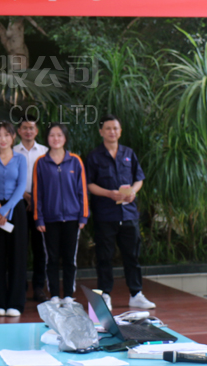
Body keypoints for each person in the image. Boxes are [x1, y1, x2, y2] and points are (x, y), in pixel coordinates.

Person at [85, 115, 155, 312]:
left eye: (115, 128)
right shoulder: (94, 156)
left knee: (132, 255)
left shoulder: (128, 153)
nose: (112, 132)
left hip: (129, 213)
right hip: (105, 214)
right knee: (104, 256)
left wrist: (134, 191)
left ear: (120, 131)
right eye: (108, 128)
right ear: (101, 132)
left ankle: (136, 294)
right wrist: (109, 193)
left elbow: (139, 179)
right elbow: (89, 184)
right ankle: (104, 294)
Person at [33, 123, 88, 303]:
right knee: (52, 258)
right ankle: (55, 295)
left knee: (70, 259)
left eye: (59, 135)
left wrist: (83, 215)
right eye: (52, 135)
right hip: (50, 219)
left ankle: (69, 295)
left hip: (72, 218)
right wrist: (39, 218)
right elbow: (37, 192)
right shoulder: (41, 162)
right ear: (46, 138)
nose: (55, 139)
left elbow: (82, 190)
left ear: (65, 138)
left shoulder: (75, 161)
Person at [0, 122, 28, 317]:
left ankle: (15, 303)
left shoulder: (20, 158)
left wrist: (7, 209)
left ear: (13, 137)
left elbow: (21, 185)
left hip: (15, 209)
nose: (3, 139)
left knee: (17, 256)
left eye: (6, 135)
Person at [14, 116, 49, 302]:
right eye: (25, 128)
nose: (28, 131)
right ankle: (19, 285)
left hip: (40, 204)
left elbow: (50, 179)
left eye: (31, 128)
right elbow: (9, 178)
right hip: (17, 202)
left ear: (36, 131)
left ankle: (38, 287)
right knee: (19, 247)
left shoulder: (45, 152)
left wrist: (35, 198)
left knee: (40, 248)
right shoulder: (12, 151)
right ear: (19, 131)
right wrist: (25, 196)